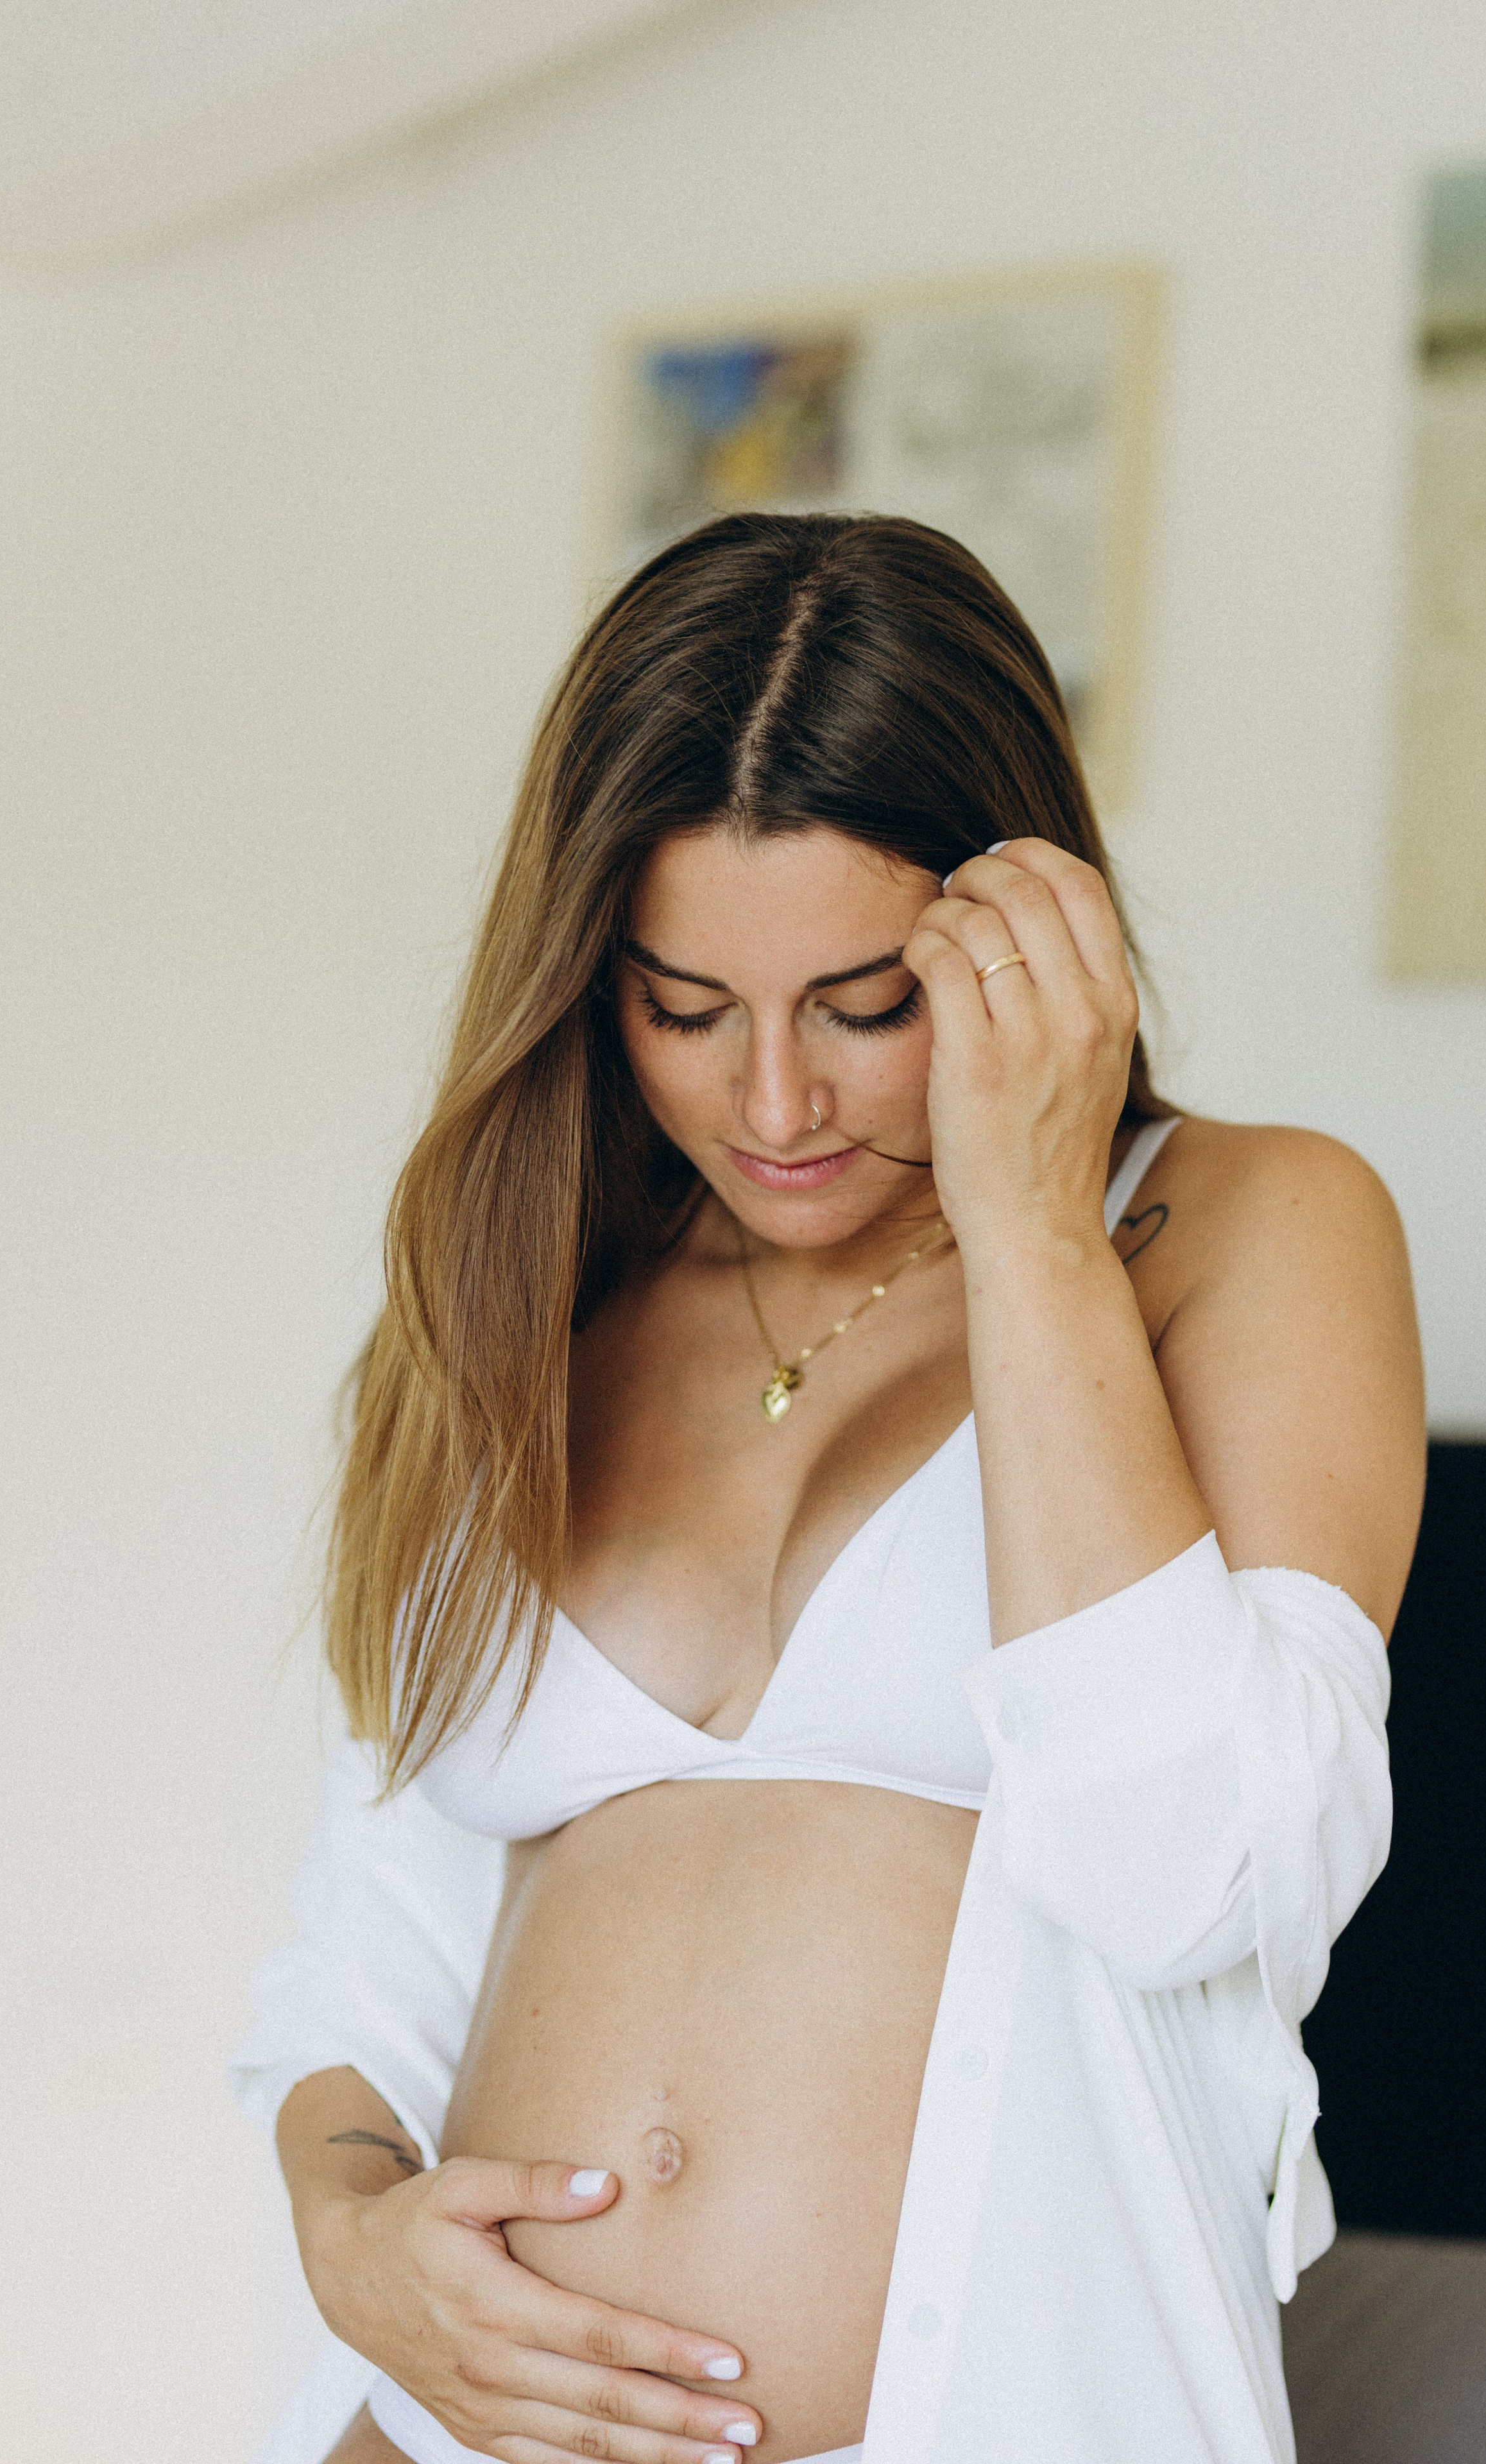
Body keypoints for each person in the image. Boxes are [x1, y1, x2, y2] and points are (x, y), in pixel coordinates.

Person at [233, 510, 1424, 2464]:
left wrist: (1029, 1222)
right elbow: (373, 1945)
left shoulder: (1245, 1232)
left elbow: (1193, 1871)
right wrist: (353, 2233)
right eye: (683, 1009)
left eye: (865, 1006)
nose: (772, 1105)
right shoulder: (536, 1300)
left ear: (1034, 936)